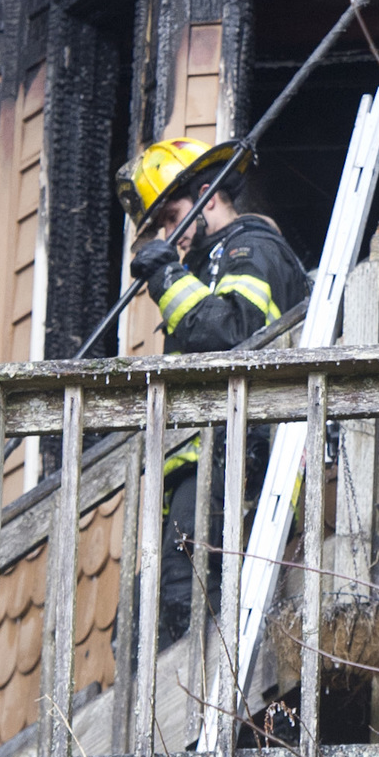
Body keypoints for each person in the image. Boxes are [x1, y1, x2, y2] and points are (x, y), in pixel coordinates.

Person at [114, 136, 311, 645]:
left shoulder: (250, 249)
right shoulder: (207, 264)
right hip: (208, 464)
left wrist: (164, 276)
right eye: (158, 226)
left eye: (171, 216)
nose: (166, 233)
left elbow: (233, 334)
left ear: (209, 195)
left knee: (184, 598)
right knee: (147, 611)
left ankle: (188, 710)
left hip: (241, 462)